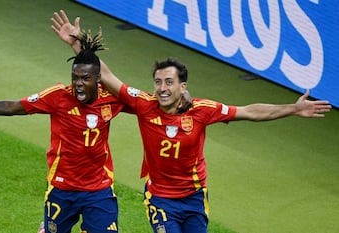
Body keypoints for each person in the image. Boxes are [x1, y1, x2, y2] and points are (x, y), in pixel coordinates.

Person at [52, 9, 332, 233]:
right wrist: (78, 44)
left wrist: (292, 109)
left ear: (182, 86)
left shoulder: (202, 111)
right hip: (160, 199)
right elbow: (107, 76)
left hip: (195, 197)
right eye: (158, 82)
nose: (162, 88)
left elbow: (250, 111)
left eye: (169, 82)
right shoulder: (145, 104)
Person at [0, 29, 132, 233]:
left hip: (98, 189)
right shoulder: (58, 96)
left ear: (98, 79)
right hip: (62, 187)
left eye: (85, 78)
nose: (78, 84)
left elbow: (144, 106)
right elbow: (12, 107)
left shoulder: (111, 99)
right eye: (75, 78)